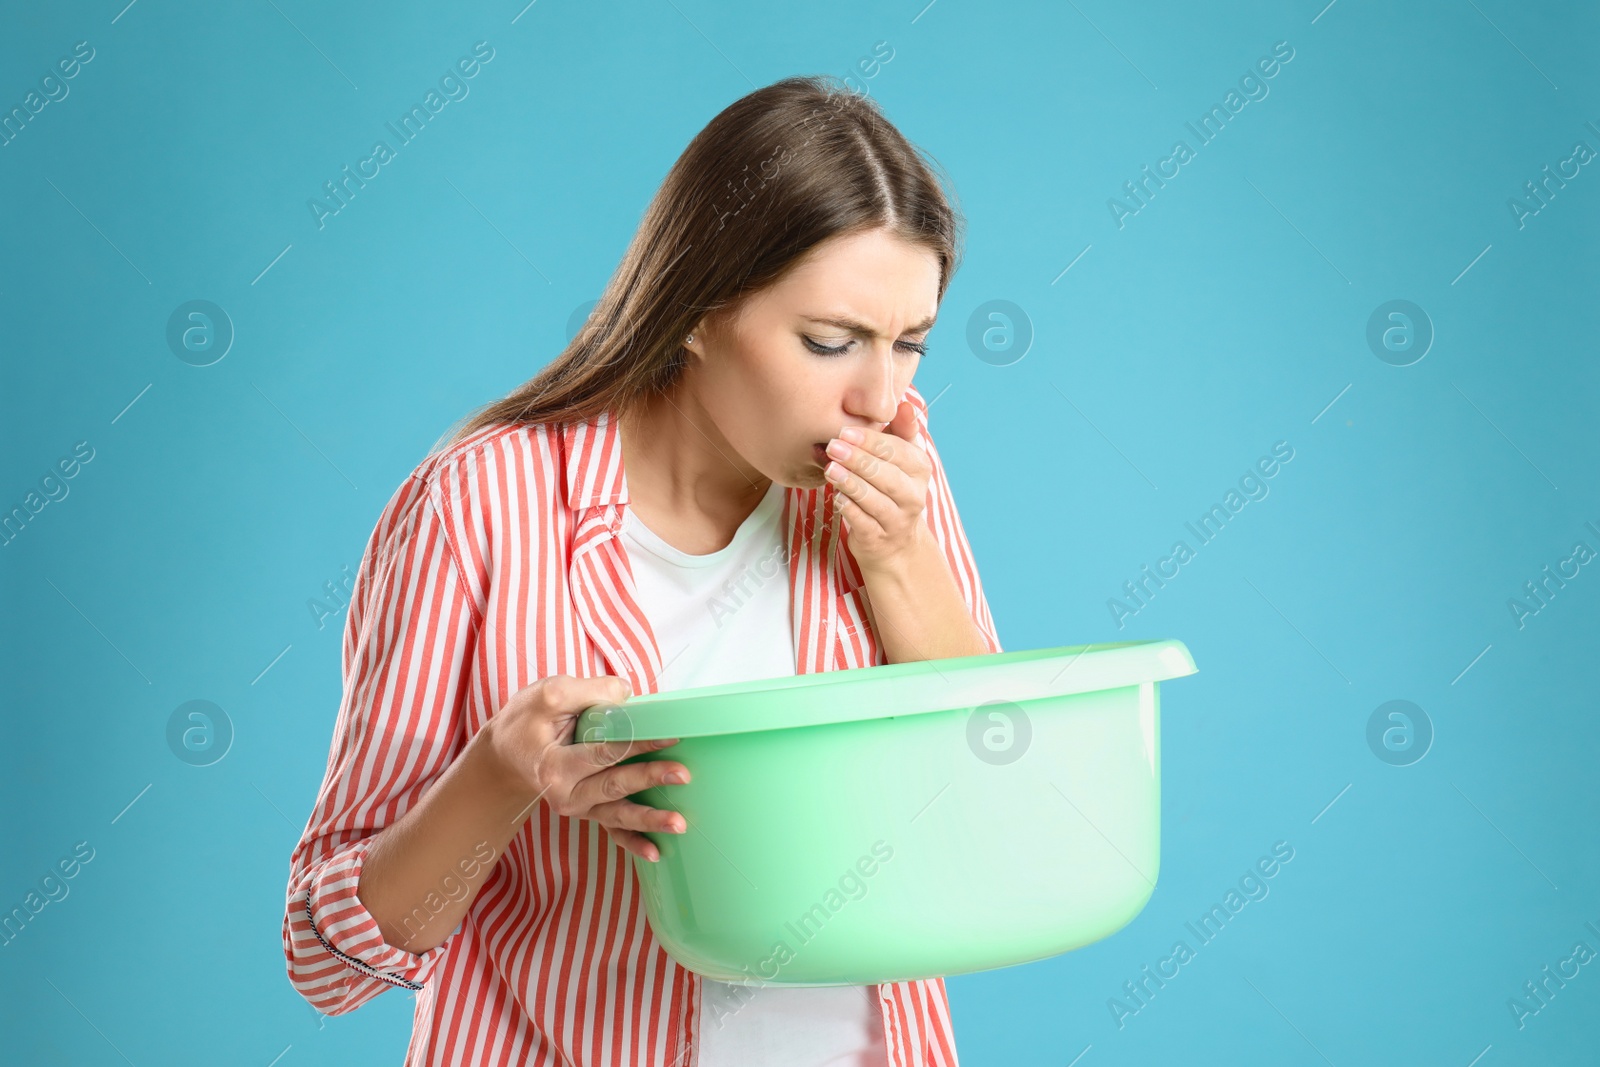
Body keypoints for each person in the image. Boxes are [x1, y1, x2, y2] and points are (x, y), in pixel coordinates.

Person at [281, 73, 1001, 1067]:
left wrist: (899, 559)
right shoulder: (476, 505)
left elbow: (998, 814)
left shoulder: (898, 483)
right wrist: (501, 771)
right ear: (697, 310)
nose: (877, 396)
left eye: (910, 344)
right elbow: (329, 961)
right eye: (829, 342)